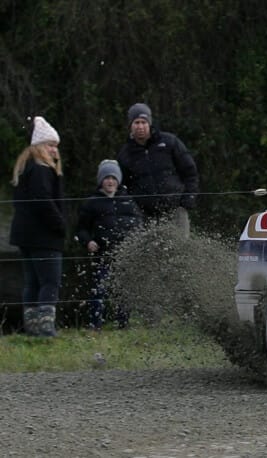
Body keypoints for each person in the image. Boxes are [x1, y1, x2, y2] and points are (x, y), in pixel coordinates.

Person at [9, 116, 65, 337]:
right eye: (51, 145)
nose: (54, 150)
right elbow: (43, 201)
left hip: (25, 236)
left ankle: (31, 327)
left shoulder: (25, 168)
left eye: (55, 146)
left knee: (31, 281)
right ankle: (45, 327)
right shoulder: (41, 169)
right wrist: (60, 224)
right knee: (50, 281)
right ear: (40, 146)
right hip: (44, 236)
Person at [75, 159, 144, 329]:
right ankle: (95, 324)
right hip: (102, 255)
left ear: (118, 180)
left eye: (113, 178)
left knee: (125, 290)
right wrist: (88, 241)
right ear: (101, 181)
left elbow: (139, 224)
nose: (110, 181)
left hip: (125, 254)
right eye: (107, 178)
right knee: (99, 290)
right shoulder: (92, 202)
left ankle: (123, 324)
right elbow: (81, 228)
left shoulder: (129, 201)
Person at [116, 103, 199, 236]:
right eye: (136, 122)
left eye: (143, 122)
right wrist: (133, 209)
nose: (140, 126)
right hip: (146, 216)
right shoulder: (125, 154)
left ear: (149, 123)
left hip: (176, 209)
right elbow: (122, 187)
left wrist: (189, 197)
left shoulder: (170, 142)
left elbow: (189, 171)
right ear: (130, 125)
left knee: (180, 251)